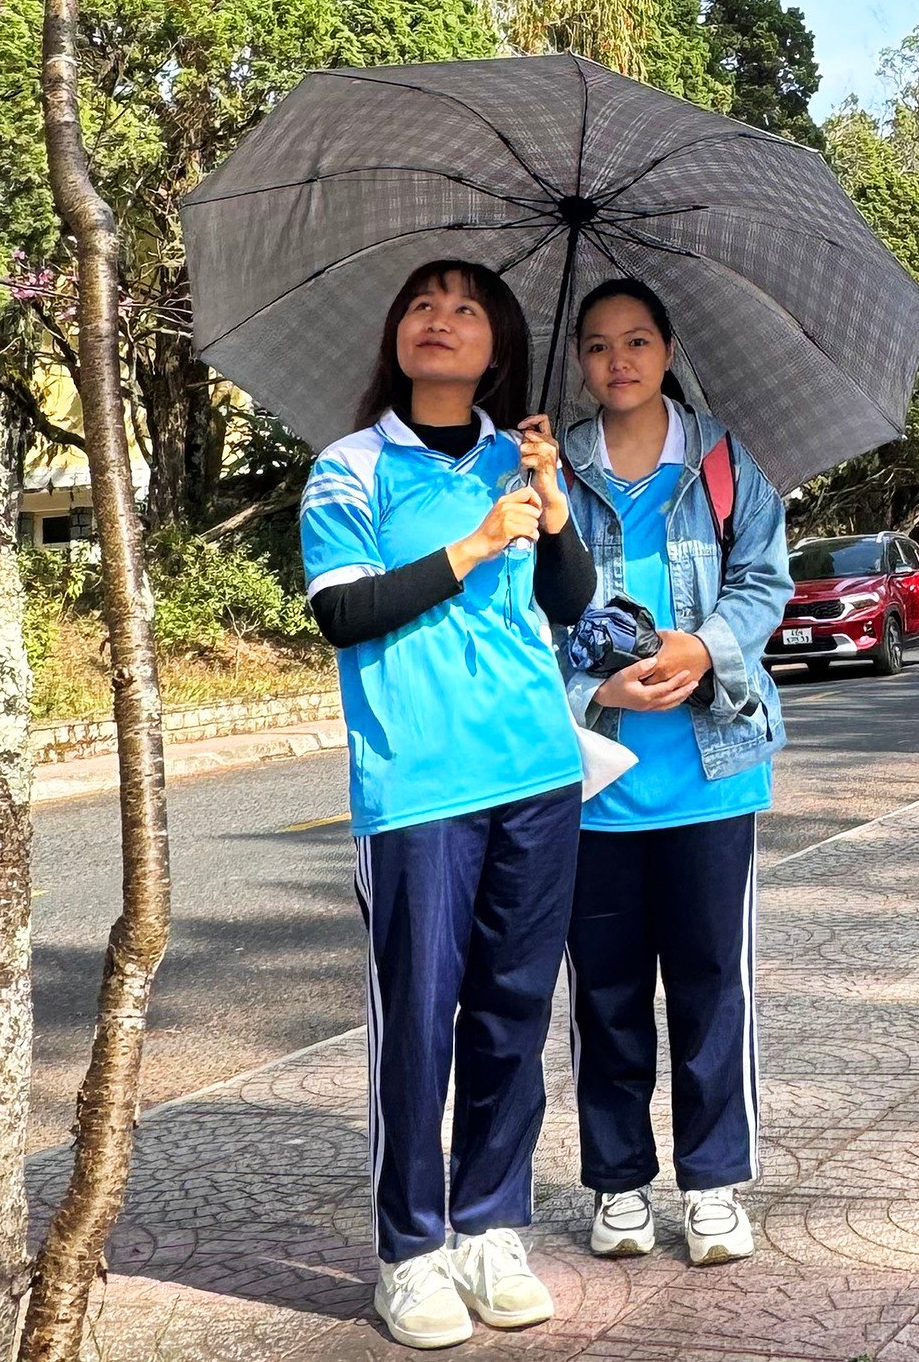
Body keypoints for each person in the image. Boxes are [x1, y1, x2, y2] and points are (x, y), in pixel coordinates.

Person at [300, 260, 597, 1352]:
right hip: (417, 784)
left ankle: (489, 1226)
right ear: (397, 333)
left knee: (515, 1015)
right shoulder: (351, 466)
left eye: (467, 308)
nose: (442, 321)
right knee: (419, 1022)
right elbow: (344, 612)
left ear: (497, 345)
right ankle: (410, 1251)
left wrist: (552, 511)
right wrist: (472, 543)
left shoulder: (515, 460)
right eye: (423, 303)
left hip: (536, 772)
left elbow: (571, 608)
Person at [558, 279, 791, 1268]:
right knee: (603, 996)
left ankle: (713, 1184)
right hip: (597, 785)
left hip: (711, 772)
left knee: (710, 987)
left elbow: (765, 582)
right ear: (579, 361)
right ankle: (617, 1186)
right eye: (601, 344)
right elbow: (529, 610)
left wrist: (701, 650)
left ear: (667, 348)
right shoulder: (549, 475)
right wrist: (597, 689)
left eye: (639, 339)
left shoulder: (728, 462)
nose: (621, 359)